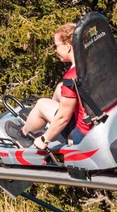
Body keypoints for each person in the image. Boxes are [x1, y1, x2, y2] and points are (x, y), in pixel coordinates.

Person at [21, 22, 89, 152]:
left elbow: (63, 118)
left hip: (84, 133)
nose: (55, 50)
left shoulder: (72, 76)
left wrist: (45, 139)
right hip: (101, 120)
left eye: (55, 46)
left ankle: (23, 134)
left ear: (68, 47)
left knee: (41, 104)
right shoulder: (95, 63)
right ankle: (48, 123)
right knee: (60, 88)